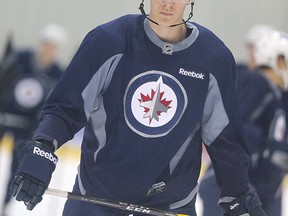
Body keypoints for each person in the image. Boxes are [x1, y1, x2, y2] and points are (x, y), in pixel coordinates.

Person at [8, 1, 267, 216]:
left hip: (170, 205)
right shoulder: (108, 41)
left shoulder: (213, 59)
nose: (168, 3)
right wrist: (43, 146)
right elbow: (66, 108)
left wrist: (237, 193)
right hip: (96, 197)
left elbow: (224, 137)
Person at [199, 26, 288, 216]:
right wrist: (268, 146)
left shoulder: (279, 95)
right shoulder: (256, 83)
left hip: (262, 193)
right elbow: (232, 127)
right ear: (275, 59)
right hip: (229, 189)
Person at [0, 23, 67, 215]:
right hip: (4, 118)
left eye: (53, 46)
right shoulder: (20, 59)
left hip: (27, 127)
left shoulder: (57, 73)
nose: (48, 49)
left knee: (16, 167)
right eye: (46, 43)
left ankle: (4, 206)